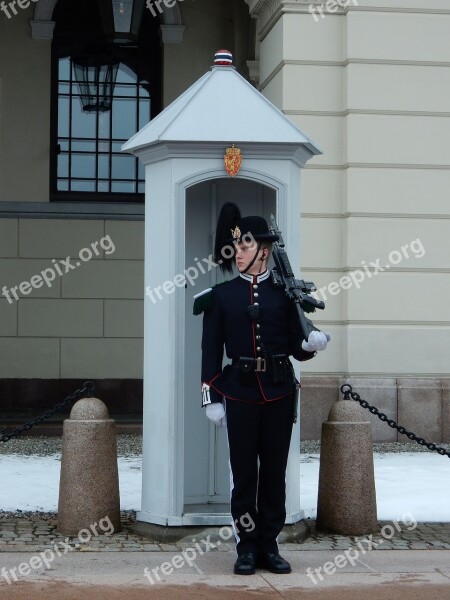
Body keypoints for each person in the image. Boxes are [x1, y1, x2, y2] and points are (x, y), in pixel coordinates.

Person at [195, 204, 329, 575]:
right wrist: (211, 396)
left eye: (244, 245)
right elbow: (210, 352)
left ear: (264, 251)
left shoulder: (285, 295)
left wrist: (310, 346)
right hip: (238, 392)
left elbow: (295, 347)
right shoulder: (220, 297)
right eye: (236, 245)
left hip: (279, 392)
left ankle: (269, 544)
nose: (236, 251)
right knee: (244, 475)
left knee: (274, 472)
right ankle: (246, 546)